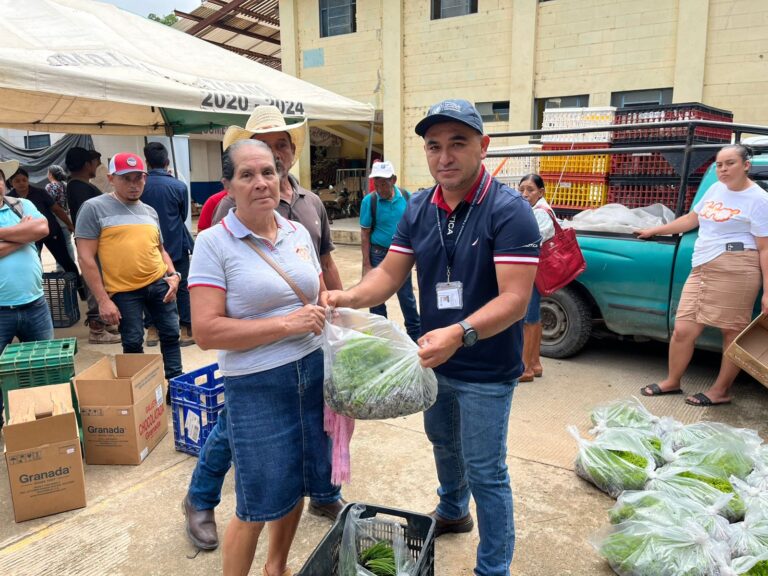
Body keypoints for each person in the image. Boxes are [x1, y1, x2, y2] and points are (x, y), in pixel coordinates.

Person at [326, 99, 540, 576]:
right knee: (443, 442)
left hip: (486, 368)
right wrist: (347, 297)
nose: (445, 157)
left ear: (483, 146)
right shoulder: (419, 207)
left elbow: (515, 299)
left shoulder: (510, 212)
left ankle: (493, 568)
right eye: (434, 146)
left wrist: (459, 334)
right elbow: (389, 275)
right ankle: (453, 510)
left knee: (486, 470)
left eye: (457, 144)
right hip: (433, 361)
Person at [182, 106, 345, 553]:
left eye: (271, 166)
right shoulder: (218, 233)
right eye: (249, 172)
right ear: (229, 185)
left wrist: (336, 307)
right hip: (256, 377)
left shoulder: (303, 217)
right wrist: (287, 324)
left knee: (297, 473)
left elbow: (320, 276)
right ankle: (201, 500)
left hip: (311, 367)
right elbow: (207, 328)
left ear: (285, 162)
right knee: (254, 492)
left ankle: (287, 549)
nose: (262, 179)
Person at [637, 143, 768, 407]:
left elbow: (765, 248)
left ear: (746, 165)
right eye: (719, 164)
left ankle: (720, 391)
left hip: (737, 268)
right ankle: (672, 381)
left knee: (731, 331)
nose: (723, 169)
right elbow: (691, 219)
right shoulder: (716, 188)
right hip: (702, 267)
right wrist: (655, 230)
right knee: (683, 329)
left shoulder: (759, 200)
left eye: (730, 163)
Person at [75, 152, 183, 390]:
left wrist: (174, 275)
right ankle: (141, 391)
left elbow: (160, 250)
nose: (134, 185)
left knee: (171, 335)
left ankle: (176, 386)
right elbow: (85, 258)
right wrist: (103, 300)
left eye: (139, 178)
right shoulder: (94, 208)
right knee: (133, 342)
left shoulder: (149, 211)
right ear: (111, 178)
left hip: (159, 283)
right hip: (124, 292)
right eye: (126, 179)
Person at [213, 106, 343, 292]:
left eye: (281, 145)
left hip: (313, 306)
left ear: (293, 150)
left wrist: (342, 306)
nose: (274, 154)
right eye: (264, 146)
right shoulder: (233, 204)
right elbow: (218, 270)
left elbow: (326, 264)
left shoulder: (312, 201)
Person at [0, 158, 53, 426]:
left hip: (35, 306)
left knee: (45, 368)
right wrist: (23, 235)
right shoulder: (23, 215)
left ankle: (44, 421)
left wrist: (5, 234)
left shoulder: (21, 205)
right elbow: (33, 232)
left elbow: (42, 228)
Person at [140, 142, 195, 347]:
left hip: (149, 246)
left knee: (148, 286)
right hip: (176, 243)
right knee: (182, 286)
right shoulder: (179, 186)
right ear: (167, 162)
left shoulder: (141, 187)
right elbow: (183, 215)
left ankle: (153, 329)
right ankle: (186, 328)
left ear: (147, 162)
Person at [360, 160, 421, 341]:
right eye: (377, 184)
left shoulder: (406, 197)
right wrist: (367, 265)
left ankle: (416, 337)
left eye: (384, 184)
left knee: (406, 297)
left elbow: (415, 229)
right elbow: (365, 234)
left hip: (402, 255)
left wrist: (417, 256)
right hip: (378, 254)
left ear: (393, 180)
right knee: (376, 297)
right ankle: (382, 339)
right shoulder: (369, 201)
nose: (380, 189)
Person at [65, 146, 120, 344]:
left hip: (96, 241)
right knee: (94, 282)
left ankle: (105, 322)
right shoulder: (79, 188)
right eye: (95, 163)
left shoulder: (79, 185)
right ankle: (97, 329)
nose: (97, 167)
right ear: (86, 164)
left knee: (102, 279)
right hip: (91, 242)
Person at [7, 167, 83, 293]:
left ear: (28, 180)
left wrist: (70, 224)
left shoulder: (40, 193)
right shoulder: (9, 198)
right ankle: (37, 291)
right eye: (17, 181)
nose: (21, 183)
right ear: (11, 182)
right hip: (30, 237)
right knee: (34, 262)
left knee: (65, 260)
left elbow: (57, 210)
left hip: (51, 231)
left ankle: (80, 288)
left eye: (24, 180)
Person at [517, 174, 555, 382]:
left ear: (541, 192)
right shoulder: (537, 210)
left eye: (530, 190)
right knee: (533, 317)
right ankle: (535, 364)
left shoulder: (540, 213)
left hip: (532, 271)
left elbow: (532, 243)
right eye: (521, 189)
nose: (525, 194)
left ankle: (525, 369)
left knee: (528, 320)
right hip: (535, 270)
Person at [45, 164, 76, 266]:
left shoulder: (50, 186)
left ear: (51, 174)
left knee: (59, 245)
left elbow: (49, 204)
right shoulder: (66, 185)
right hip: (68, 216)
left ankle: (61, 268)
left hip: (56, 218)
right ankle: (72, 266)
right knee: (68, 243)